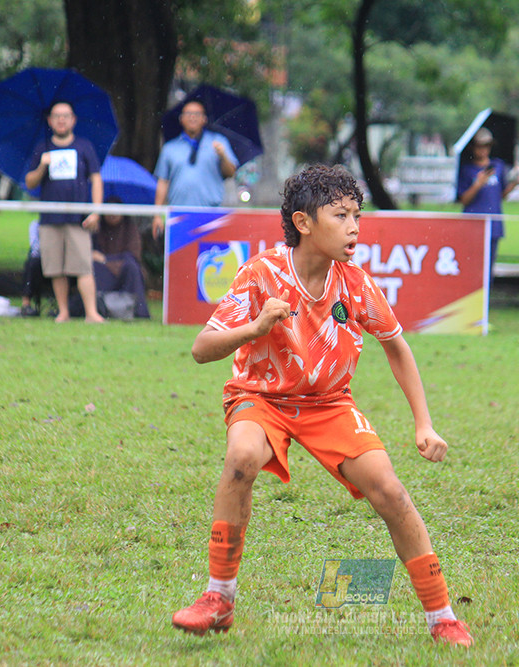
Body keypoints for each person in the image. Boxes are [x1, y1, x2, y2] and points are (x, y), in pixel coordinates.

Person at [170, 164, 473, 647]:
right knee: (242, 458)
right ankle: (218, 597)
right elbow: (201, 348)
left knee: (391, 492)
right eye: (341, 215)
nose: (354, 227)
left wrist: (424, 423)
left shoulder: (356, 283)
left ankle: (442, 616)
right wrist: (254, 329)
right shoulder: (261, 274)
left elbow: (396, 346)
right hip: (261, 396)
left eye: (357, 215)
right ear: (304, 223)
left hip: (329, 404)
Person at [24, 101, 105, 323]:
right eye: (57, 116)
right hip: (50, 220)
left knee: (83, 266)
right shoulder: (43, 148)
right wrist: (42, 166)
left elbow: (96, 179)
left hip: (77, 219)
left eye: (66, 116)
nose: (61, 120)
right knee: (55, 268)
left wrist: (96, 211)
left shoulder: (84, 147)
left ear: (73, 120)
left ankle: (92, 313)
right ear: (50, 121)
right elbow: (30, 182)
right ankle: (63, 312)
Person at [152, 99, 239, 239]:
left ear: (204, 119)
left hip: (211, 215)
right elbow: (163, 182)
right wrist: (157, 214)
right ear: (181, 119)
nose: (192, 117)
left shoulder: (218, 141)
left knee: (209, 257)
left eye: (197, 114)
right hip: (179, 215)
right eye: (188, 113)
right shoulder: (170, 148)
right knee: (180, 258)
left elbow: (231, 173)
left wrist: (223, 156)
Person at [456, 127, 519, 280]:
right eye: (480, 146)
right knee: (470, 266)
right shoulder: (466, 169)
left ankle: (486, 297)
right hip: (472, 224)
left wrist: (515, 183)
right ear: (473, 147)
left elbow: (500, 195)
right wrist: (478, 184)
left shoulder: (498, 166)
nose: (483, 150)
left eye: (487, 146)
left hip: (493, 224)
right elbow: (463, 199)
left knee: (488, 268)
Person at [89, 197, 151, 319]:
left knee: (132, 268)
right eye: (109, 211)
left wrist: (107, 260)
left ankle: (137, 310)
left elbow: (133, 255)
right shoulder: (97, 229)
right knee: (93, 269)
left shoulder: (130, 229)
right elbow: (91, 253)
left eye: (116, 211)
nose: (112, 215)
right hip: (102, 269)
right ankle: (99, 308)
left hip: (124, 267)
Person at [20, 219, 45, 317]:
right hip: (42, 261)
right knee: (32, 263)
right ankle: (26, 304)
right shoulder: (36, 225)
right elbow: (35, 249)